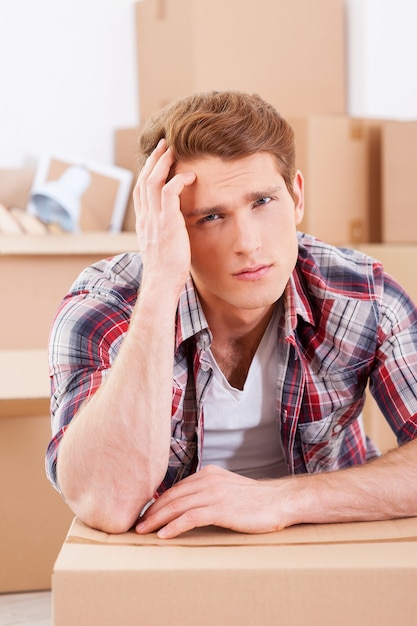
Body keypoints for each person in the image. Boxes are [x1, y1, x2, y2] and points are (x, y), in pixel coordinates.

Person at [46, 90, 417, 538]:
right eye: (210, 217)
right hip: (170, 558)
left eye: (262, 202)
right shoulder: (105, 304)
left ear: (296, 196)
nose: (248, 242)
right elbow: (107, 503)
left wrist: (282, 499)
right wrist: (162, 281)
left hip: (321, 540)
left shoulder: (361, 294)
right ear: (163, 223)